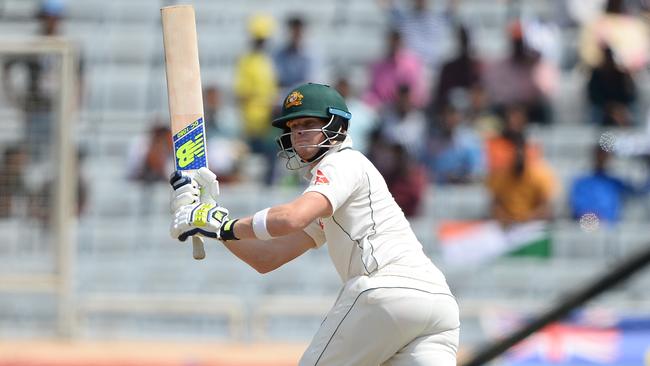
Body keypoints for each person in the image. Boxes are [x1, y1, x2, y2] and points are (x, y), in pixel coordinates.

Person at [169, 83, 459, 365]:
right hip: (438, 305)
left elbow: (292, 217)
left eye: (308, 124)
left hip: (387, 291)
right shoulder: (338, 192)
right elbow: (268, 258)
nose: (298, 135)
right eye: (293, 128)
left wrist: (222, 224)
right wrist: (214, 222)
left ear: (338, 126)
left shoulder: (342, 162)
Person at [570, 145, 650, 225]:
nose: (603, 159)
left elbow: (639, 193)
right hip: (589, 230)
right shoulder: (582, 183)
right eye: (600, 156)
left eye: (605, 156)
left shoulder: (614, 182)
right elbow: (579, 209)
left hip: (612, 231)